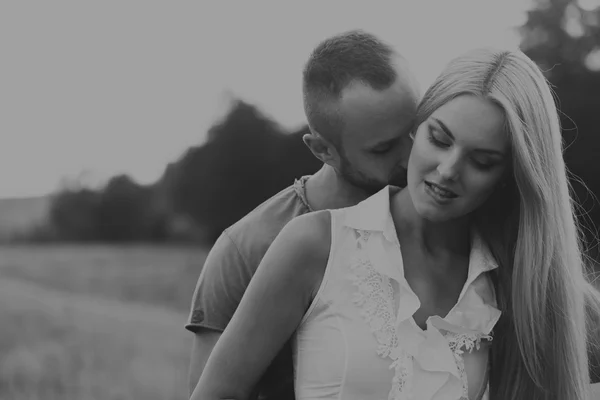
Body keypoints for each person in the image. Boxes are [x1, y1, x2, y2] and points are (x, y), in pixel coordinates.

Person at [191, 47, 600, 400]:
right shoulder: (313, 243)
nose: (447, 170)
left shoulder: (520, 284)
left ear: (511, 175)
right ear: (415, 130)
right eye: (439, 139)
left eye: (482, 162)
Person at [185, 30, 420, 399]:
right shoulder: (247, 249)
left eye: (417, 130)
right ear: (322, 149)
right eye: (384, 148)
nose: (412, 157)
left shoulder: (438, 219)